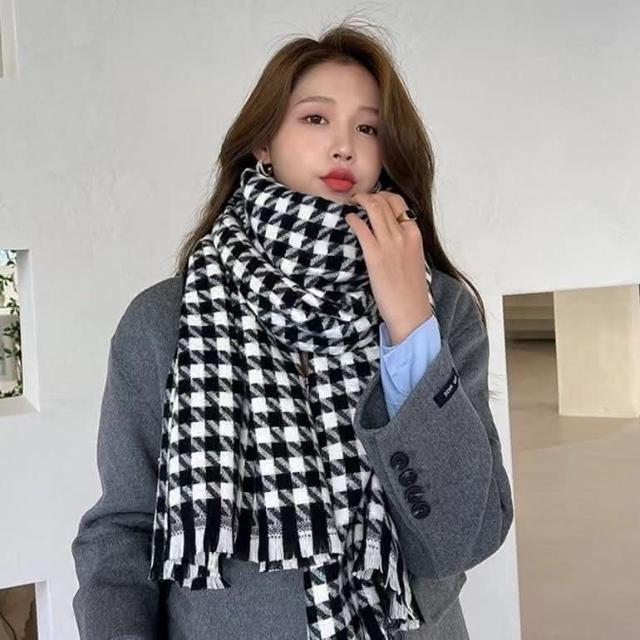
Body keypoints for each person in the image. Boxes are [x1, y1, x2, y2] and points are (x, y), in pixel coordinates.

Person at [71, 19, 513, 640]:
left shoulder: (441, 308)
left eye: (368, 128)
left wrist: (410, 327)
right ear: (262, 143)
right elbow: (121, 533)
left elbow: (466, 537)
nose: (344, 147)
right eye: (315, 119)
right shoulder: (162, 322)